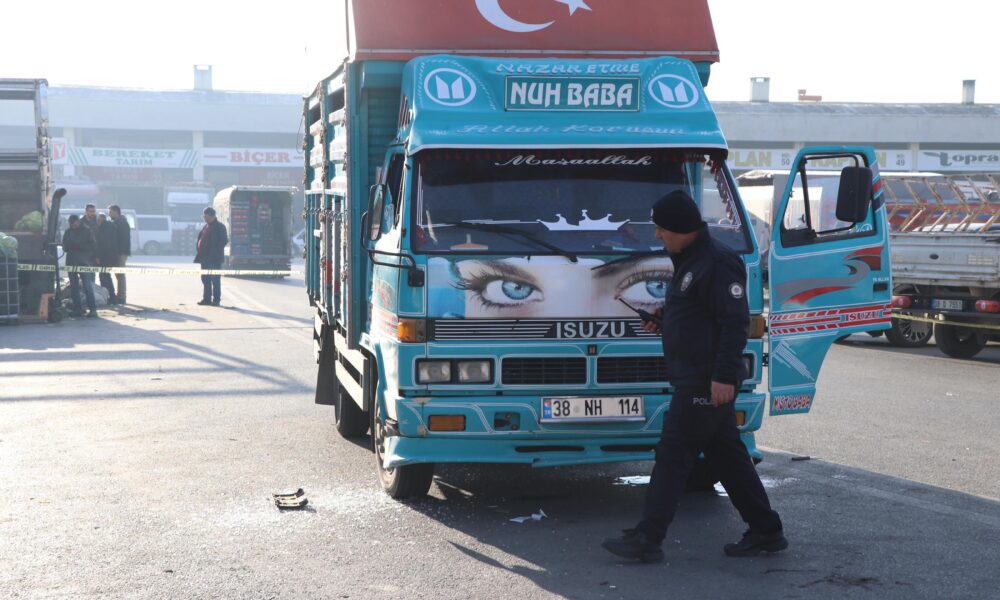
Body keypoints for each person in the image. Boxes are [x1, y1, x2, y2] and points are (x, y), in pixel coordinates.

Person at [602, 190, 786, 563]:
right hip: (696, 374)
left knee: (673, 455)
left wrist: (723, 377)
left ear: (681, 227)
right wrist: (664, 321)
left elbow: (733, 323)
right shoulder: (690, 261)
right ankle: (766, 531)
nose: (658, 235)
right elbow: (699, 317)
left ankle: (648, 538)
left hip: (705, 379)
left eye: (662, 229)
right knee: (729, 458)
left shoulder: (717, 262)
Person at [62, 214, 98, 318]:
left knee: (87, 286)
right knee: (74, 287)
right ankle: (78, 309)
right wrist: (68, 246)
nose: (72, 226)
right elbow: (64, 246)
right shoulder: (68, 232)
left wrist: (79, 246)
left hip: (84, 262)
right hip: (71, 262)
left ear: (78, 222)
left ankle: (93, 309)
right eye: (71, 224)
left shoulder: (87, 231)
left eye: (73, 224)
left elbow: (93, 246)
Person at [194, 207, 228, 306]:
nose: (203, 217)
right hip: (204, 258)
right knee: (205, 279)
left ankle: (216, 300)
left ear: (211, 215)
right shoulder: (206, 226)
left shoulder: (220, 227)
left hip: (214, 259)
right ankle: (206, 299)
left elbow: (223, 240)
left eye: (205, 216)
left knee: (215, 280)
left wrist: (215, 251)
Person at [108, 204, 130, 304]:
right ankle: (119, 295)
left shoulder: (122, 223)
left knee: (120, 274)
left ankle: (122, 297)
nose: (109, 214)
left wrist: (121, 253)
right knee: (118, 274)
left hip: (121, 252)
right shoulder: (116, 222)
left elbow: (123, 240)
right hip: (117, 252)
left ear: (116, 212)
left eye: (110, 212)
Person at [95, 213, 119, 303]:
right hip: (110, 257)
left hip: (104, 257)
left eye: (98, 221)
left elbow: (102, 244)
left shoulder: (103, 229)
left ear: (100, 221)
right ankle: (112, 296)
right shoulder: (111, 227)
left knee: (104, 277)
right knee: (107, 276)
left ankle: (109, 296)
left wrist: (98, 256)